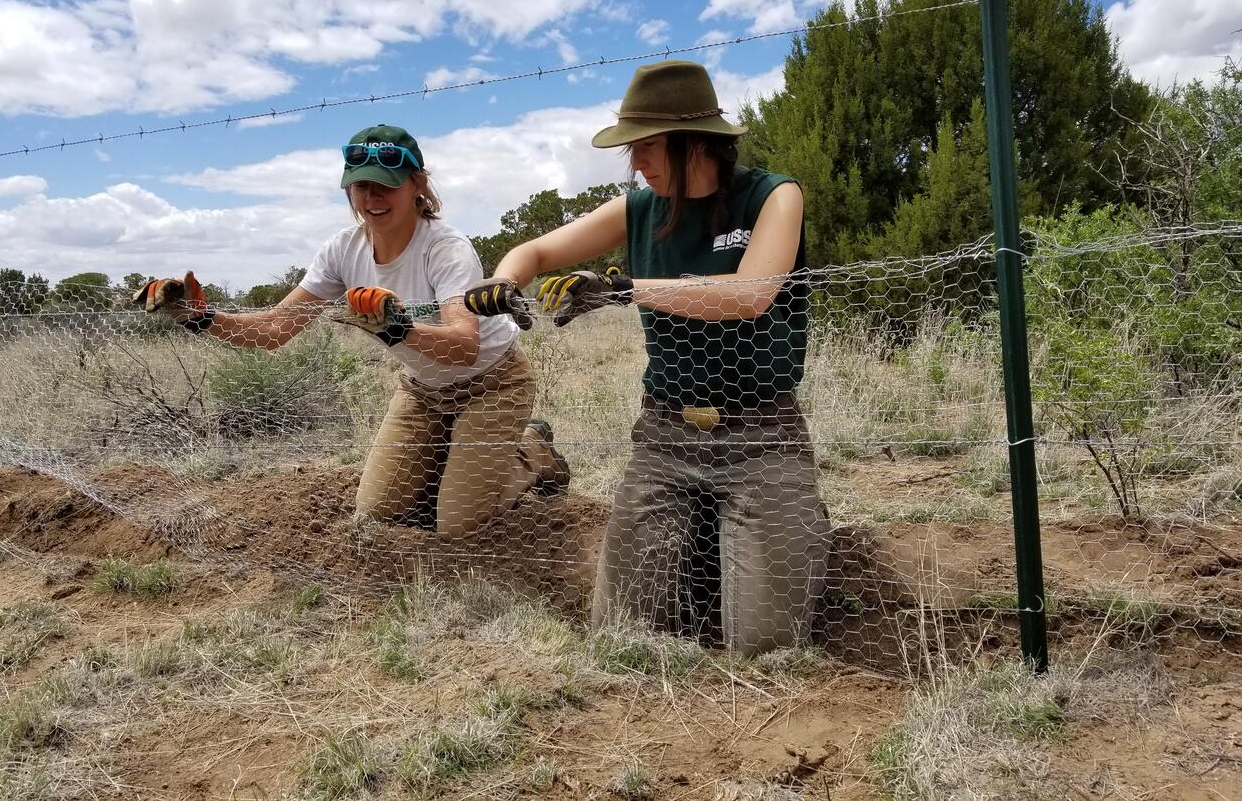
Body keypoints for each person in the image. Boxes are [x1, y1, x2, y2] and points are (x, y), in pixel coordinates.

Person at [464, 60, 829, 656]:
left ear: (697, 142)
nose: (637, 163)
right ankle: (717, 539)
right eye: (632, 150)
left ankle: (785, 522)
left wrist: (624, 288)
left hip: (764, 438)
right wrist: (502, 281)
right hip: (664, 439)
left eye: (650, 147)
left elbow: (749, 295)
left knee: (765, 648)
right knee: (622, 638)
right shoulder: (637, 209)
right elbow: (534, 249)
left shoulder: (773, 197)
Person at [134, 124, 568, 538]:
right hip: (423, 390)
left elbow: (465, 347)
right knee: (379, 511)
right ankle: (457, 459)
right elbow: (276, 330)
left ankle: (533, 451)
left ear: (417, 185)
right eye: (361, 186)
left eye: (386, 185)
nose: (372, 197)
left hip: (491, 384)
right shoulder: (343, 250)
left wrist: (398, 329)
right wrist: (200, 317)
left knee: (457, 526)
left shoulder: (445, 248)